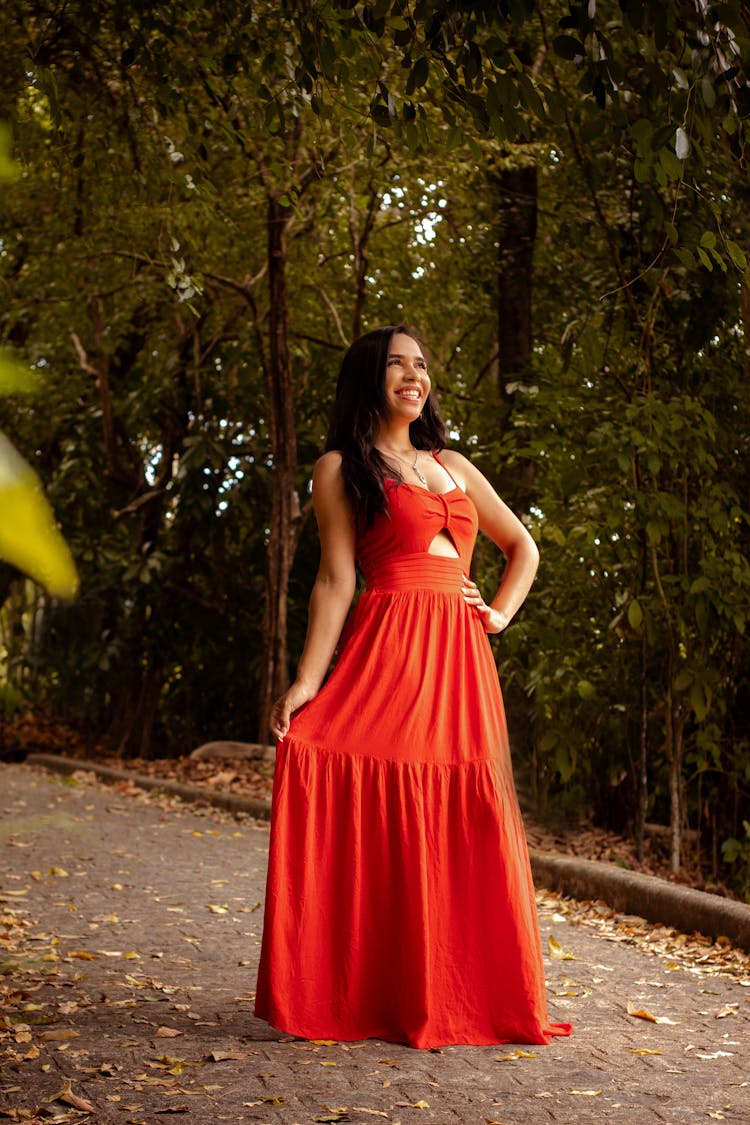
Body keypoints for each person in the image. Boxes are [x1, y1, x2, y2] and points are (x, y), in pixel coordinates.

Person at [254, 325, 572, 1049]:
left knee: (468, 804)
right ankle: (372, 988)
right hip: (389, 642)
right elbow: (336, 578)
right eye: (397, 364)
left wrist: (496, 613)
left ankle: (464, 991)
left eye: (421, 364)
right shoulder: (340, 467)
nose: (413, 374)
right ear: (369, 379)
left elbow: (522, 545)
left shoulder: (451, 463)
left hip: (460, 653)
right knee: (348, 769)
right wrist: (307, 680)